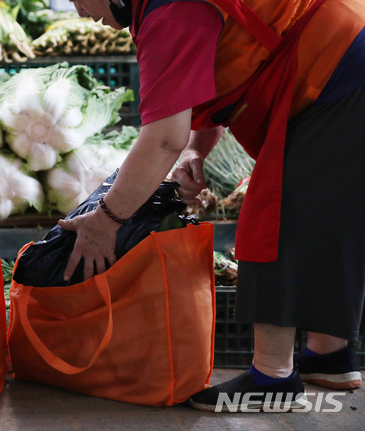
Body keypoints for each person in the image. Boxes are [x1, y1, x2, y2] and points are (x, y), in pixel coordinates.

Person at [62, 0, 365, 412]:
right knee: (325, 218)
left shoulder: (169, 13)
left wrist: (107, 219)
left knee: (273, 220)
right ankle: (329, 357)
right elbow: (225, 66)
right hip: (345, 58)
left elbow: (162, 140)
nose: (79, 11)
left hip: (339, 72)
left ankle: (271, 380)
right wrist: (196, 151)